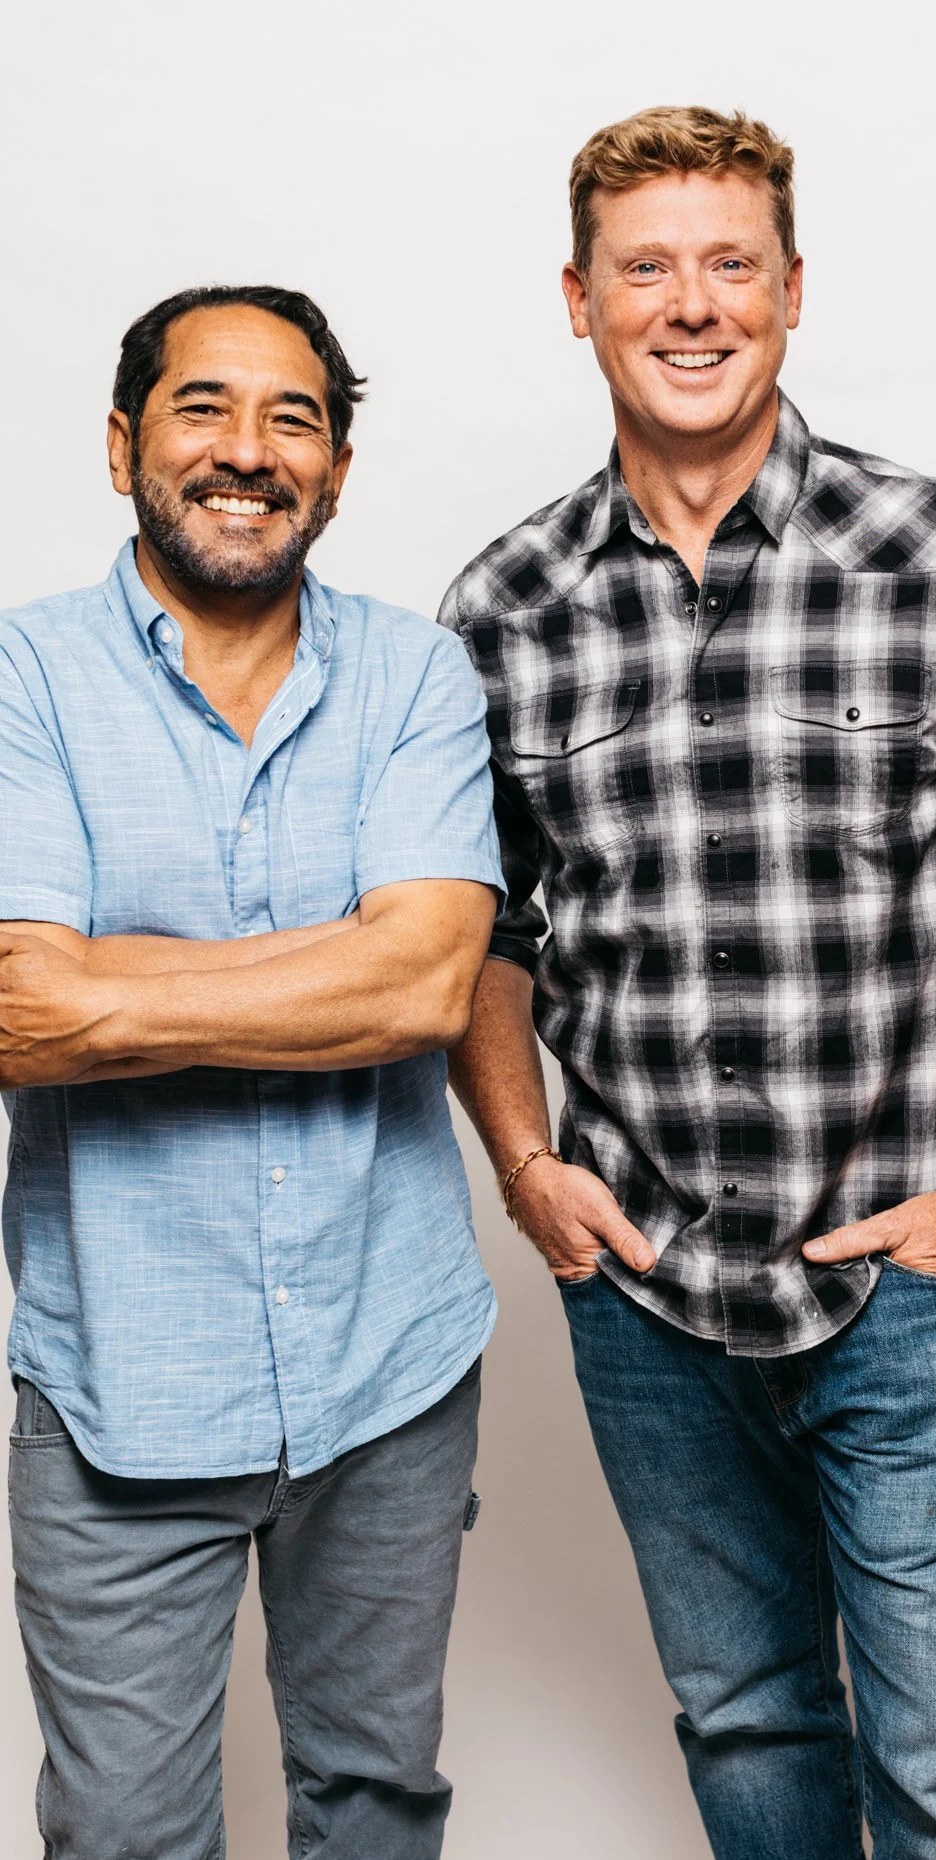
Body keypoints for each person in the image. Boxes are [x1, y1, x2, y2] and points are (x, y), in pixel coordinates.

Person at [443, 106, 936, 1860]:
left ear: (794, 291)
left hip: (914, 1285)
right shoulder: (502, 603)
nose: (691, 305)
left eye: (731, 264)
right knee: (749, 1735)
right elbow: (488, 929)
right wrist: (528, 1169)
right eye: (647, 268)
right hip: (645, 1294)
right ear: (579, 300)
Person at [0, 285, 502, 1858]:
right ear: (120, 442)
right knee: (125, 1837)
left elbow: (429, 983)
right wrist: (332, 964)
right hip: (119, 1390)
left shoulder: (419, 677)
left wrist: (114, 980)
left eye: (295, 419)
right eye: (203, 408)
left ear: (339, 468)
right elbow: (18, 1011)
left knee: (373, 1807)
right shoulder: (22, 679)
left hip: (388, 1369)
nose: (248, 451)